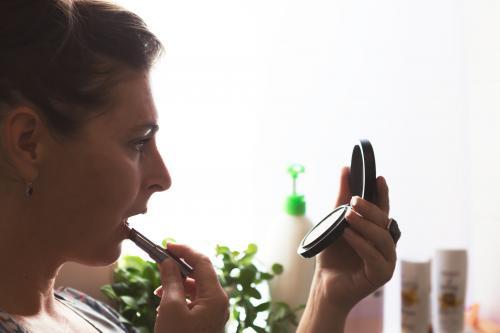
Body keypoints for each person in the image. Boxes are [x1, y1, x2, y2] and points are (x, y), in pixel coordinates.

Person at [0, 0, 397, 332]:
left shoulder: (90, 315)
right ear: (28, 144)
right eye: (139, 142)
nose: (163, 178)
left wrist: (329, 293)